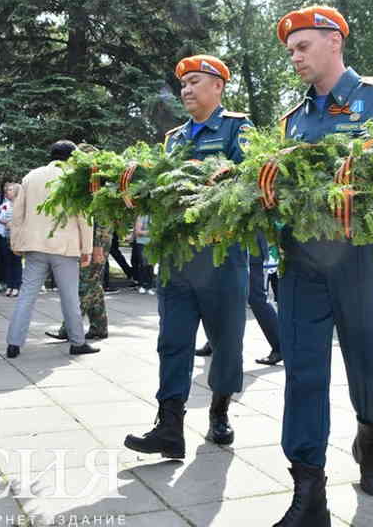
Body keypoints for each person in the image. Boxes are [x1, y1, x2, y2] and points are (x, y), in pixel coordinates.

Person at [271, 6, 373, 526]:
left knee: (369, 361)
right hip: (301, 262)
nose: (295, 57)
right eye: (290, 51)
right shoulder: (292, 120)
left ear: (334, 41)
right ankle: (309, 491)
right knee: (303, 372)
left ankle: (368, 438)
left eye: (303, 46)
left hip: (361, 258)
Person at [124, 55, 250, 459]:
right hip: (178, 257)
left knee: (227, 342)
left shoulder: (238, 128)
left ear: (218, 86)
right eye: (183, 84)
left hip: (221, 255)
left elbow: (247, 182)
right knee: (172, 342)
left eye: (195, 81)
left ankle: (219, 412)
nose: (187, 90)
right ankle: (169, 426)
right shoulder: (174, 139)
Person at [5, 140, 99, 358]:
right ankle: (77, 342)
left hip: (35, 246)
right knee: (70, 297)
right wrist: (87, 249)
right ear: (72, 157)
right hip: (65, 247)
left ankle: (13, 344)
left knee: (26, 295)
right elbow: (85, 218)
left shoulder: (31, 176)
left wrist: (16, 243)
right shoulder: (75, 177)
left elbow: (18, 213)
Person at [194, 232, 283, 365]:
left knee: (256, 297)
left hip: (249, 246)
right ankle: (215, 342)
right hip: (225, 245)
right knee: (220, 295)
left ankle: (280, 346)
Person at [46, 216, 114, 341]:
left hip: (98, 243)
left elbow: (103, 216)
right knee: (93, 284)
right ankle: (99, 328)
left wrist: (97, 246)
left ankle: (68, 329)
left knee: (85, 284)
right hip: (96, 241)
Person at [0, 183, 23, 296]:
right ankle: (9, 286)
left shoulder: (21, 205)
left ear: (17, 191)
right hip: (6, 237)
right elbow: (0, 219)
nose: (8, 191)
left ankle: (16, 286)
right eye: (7, 190)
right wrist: (7, 222)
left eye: (11, 190)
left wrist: (14, 224)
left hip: (17, 237)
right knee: (8, 262)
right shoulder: (6, 205)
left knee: (16, 262)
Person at [131, 215, 155, 294]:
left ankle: (150, 286)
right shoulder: (141, 216)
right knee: (143, 263)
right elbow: (138, 232)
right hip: (142, 243)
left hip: (152, 243)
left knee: (151, 264)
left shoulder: (155, 215)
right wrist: (151, 232)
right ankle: (142, 285)